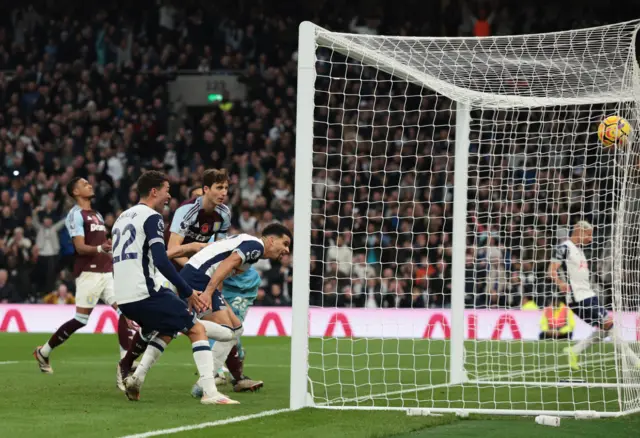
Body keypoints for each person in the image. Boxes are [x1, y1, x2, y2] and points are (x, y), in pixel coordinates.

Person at [112, 170, 238, 404]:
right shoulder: (152, 217)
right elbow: (162, 260)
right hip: (145, 292)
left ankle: (135, 379)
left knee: (169, 329)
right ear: (154, 191)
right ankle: (210, 393)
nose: (169, 196)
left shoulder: (122, 218)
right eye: (167, 191)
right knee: (197, 330)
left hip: (124, 297)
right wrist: (189, 291)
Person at [139, 224, 291, 397]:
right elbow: (228, 262)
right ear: (271, 240)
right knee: (227, 331)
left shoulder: (246, 243)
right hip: (199, 278)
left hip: (197, 276)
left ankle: (197, 378)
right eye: (285, 243)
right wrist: (209, 292)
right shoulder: (256, 246)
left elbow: (208, 252)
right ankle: (202, 377)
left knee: (236, 329)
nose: (286, 250)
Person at [33, 178, 131, 376]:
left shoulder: (97, 215)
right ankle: (44, 352)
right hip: (89, 273)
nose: (90, 185)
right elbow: (79, 246)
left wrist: (110, 248)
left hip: (106, 272)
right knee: (80, 319)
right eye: (85, 184)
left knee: (125, 312)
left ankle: (125, 364)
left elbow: (101, 245)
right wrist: (99, 247)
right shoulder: (75, 215)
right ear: (75, 192)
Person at [548, 221, 640, 370]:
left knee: (605, 329)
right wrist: (560, 283)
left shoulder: (580, 250)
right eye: (589, 234)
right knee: (609, 324)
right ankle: (635, 361)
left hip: (589, 295)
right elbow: (551, 271)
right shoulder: (563, 248)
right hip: (578, 297)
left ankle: (574, 350)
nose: (590, 239)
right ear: (579, 230)